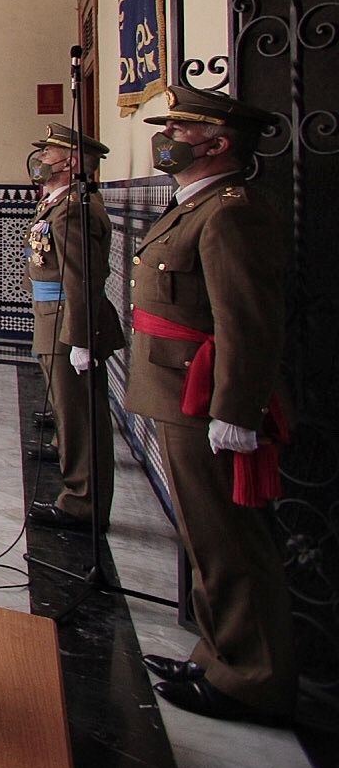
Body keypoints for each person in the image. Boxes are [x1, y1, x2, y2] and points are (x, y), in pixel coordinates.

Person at [128, 85, 295, 725]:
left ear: (219, 145)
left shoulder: (231, 212)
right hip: (178, 392)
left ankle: (254, 678)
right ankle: (218, 652)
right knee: (205, 534)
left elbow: (247, 323)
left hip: (205, 398)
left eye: (182, 131)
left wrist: (237, 409)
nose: (167, 138)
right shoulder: (193, 206)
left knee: (230, 541)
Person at [24, 125, 123, 533]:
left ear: (70, 161)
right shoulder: (60, 203)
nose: (41, 159)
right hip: (56, 317)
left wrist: (79, 338)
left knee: (79, 414)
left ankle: (84, 502)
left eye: (49, 152)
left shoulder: (73, 209)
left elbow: (82, 277)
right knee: (68, 410)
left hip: (68, 321)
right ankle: (77, 485)